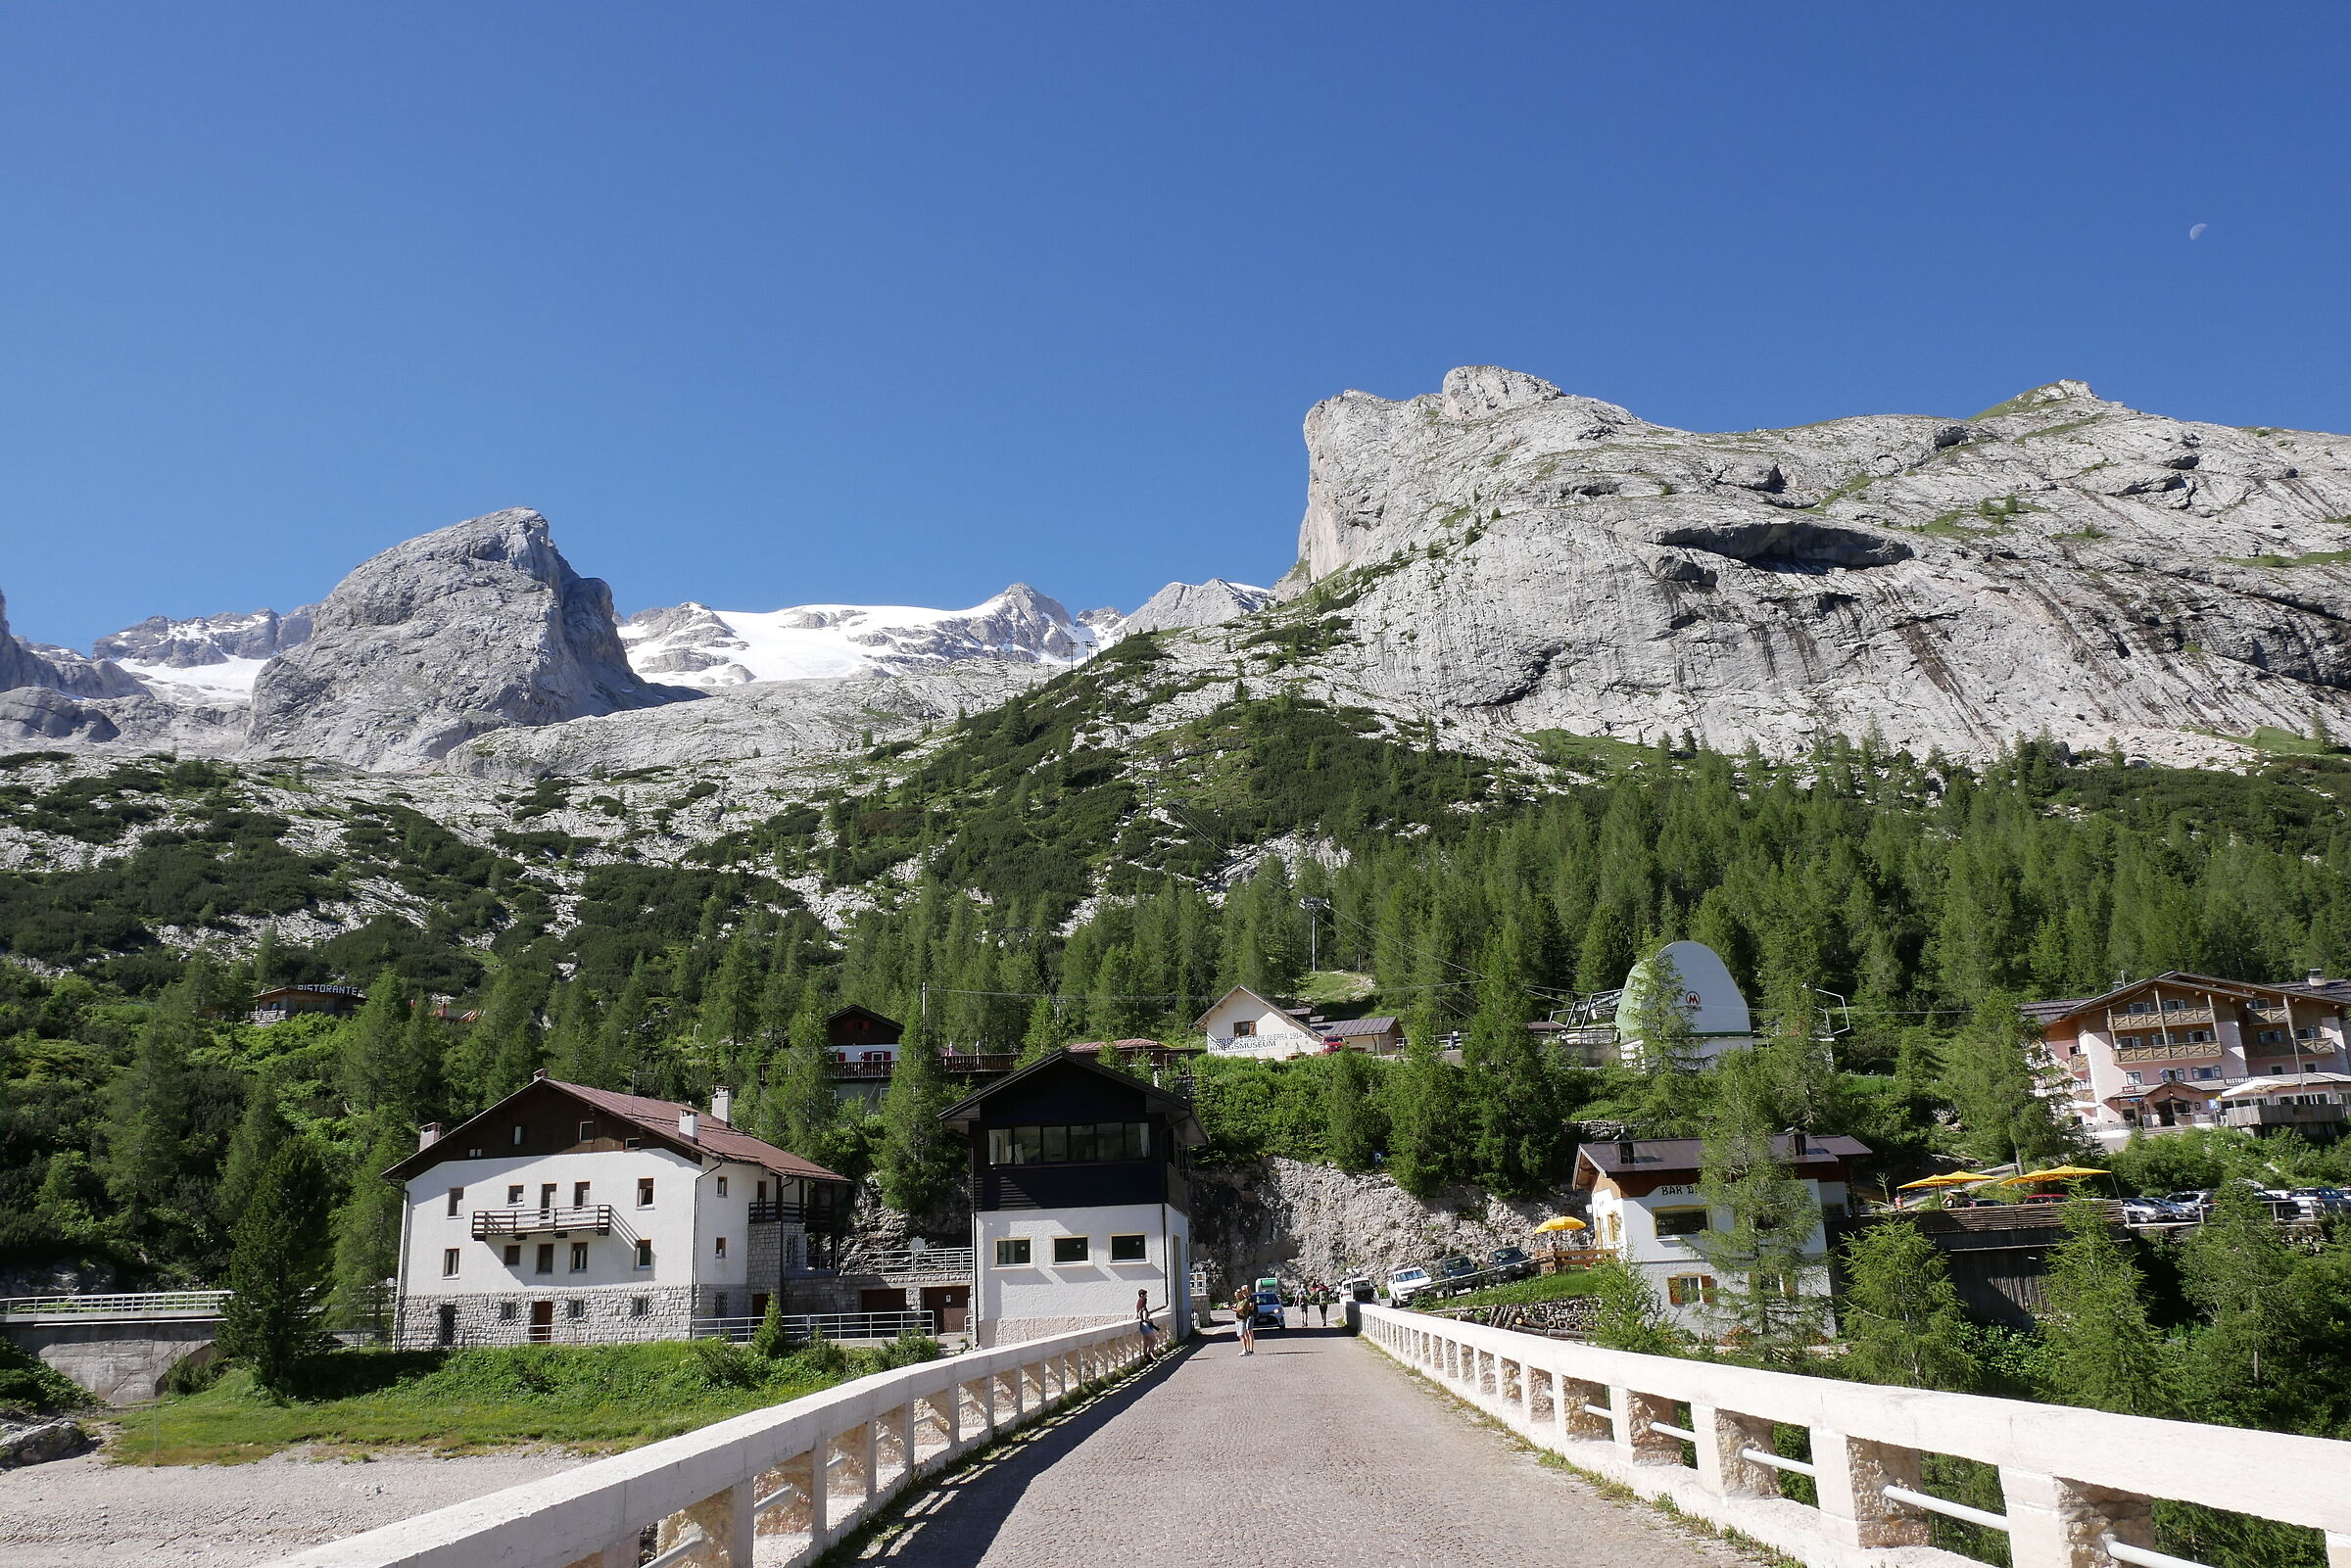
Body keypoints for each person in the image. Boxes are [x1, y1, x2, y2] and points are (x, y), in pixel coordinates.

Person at [1135, 1288, 1158, 1356]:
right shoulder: (1144, 1308)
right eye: (1145, 1295)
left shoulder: (1138, 1307)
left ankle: (1147, 1354)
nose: (1146, 1296)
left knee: (1146, 1342)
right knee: (1154, 1341)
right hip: (1146, 1326)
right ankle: (1150, 1353)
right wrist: (1150, 1320)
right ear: (1142, 1295)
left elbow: (1136, 1316)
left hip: (1142, 1326)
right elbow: (1145, 1318)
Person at [1233, 1287, 1256, 1355]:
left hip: (1249, 1316)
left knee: (1249, 1332)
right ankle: (1247, 1349)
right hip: (1244, 1317)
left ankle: (1250, 1350)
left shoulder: (1249, 1298)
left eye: (1244, 1290)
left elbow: (1251, 1307)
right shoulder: (1241, 1300)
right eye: (1242, 1290)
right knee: (1244, 1334)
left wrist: (1245, 1307)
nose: (1243, 1291)